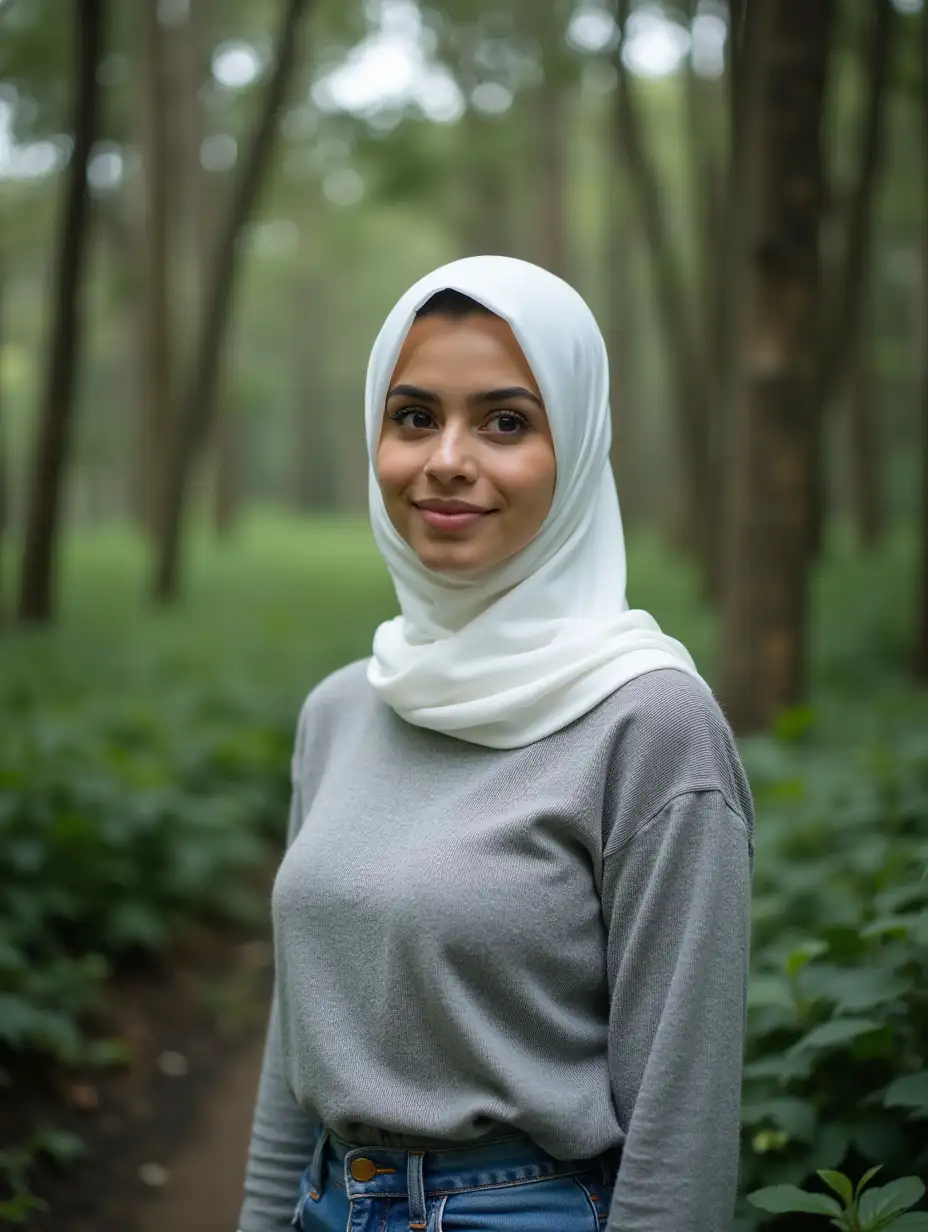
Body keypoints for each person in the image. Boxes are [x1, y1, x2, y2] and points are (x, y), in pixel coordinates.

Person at [236, 255, 754, 1232]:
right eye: (414, 415)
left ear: (579, 447)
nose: (446, 457)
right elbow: (296, 1039)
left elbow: (681, 1120)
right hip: (324, 1198)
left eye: (505, 421)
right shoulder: (342, 710)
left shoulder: (650, 723)